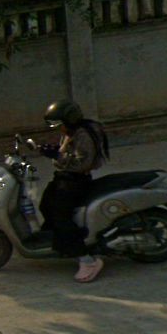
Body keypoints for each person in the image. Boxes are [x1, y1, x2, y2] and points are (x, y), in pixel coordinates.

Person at [37, 99, 111, 283]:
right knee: (46, 204)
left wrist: (57, 156)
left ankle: (86, 259)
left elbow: (81, 164)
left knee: (60, 215)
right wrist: (53, 152)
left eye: (60, 125)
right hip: (65, 178)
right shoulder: (71, 132)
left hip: (77, 181)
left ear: (69, 120)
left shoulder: (84, 134)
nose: (59, 129)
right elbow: (66, 155)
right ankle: (60, 243)